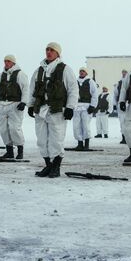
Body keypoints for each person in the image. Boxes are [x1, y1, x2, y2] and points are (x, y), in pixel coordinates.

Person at [28, 42, 78, 178]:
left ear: (58, 53)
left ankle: (56, 167)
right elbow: (32, 89)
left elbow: (73, 89)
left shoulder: (65, 69)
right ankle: (48, 166)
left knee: (56, 140)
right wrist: (30, 105)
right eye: (47, 49)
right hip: (41, 109)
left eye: (52, 50)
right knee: (42, 140)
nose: (48, 52)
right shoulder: (39, 70)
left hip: (57, 110)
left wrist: (70, 107)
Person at [0, 55, 29, 159]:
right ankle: (9, 151)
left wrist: (24, 102)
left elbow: (25, 89)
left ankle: (20, 151)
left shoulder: (20, 74)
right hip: (2, 105)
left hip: (15, 105)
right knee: (4, 129)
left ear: (13, 63)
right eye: (5, 61)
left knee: (14, 128)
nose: (6, 63)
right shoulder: (0, 76)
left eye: (8, 61)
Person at [72, 67, 98, 150]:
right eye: (80, 71)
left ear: (86, 73)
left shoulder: (90, 81)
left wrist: (92, 106)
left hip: (86, 106)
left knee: (85, 125)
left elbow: (94, 94)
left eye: (83, 71)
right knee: (76, 125)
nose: (81, 72)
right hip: (76, 106)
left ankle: (86, 144)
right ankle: (80, 143)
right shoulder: (75, 81)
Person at [113, 70, 128, 144]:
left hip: (129, 104)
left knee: (129, 122)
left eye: (125, 72)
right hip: (120, 104)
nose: (124, 74)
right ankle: (124, 138)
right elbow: (115, 94)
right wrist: (115, 105)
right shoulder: (119, 83)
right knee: (122, 122)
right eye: (123, 72)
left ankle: (130, 138)